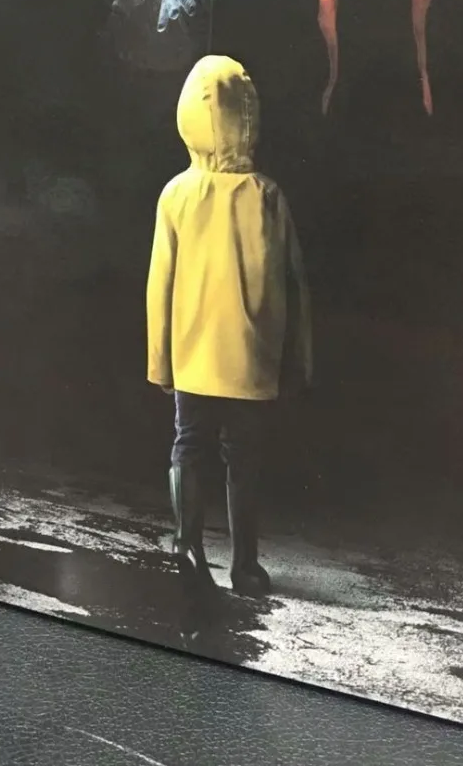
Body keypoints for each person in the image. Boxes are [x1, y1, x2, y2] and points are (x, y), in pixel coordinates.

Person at [147, 55, 312, 598]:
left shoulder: (175, 195)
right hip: (252, 356)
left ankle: (187, 547)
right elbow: (295, 284)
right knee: (245, 459)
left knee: (188, 445)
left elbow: (159, 285)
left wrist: (160, 362)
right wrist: (298, 359)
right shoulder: (268, 196)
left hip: (193, 355)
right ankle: (245, 565)